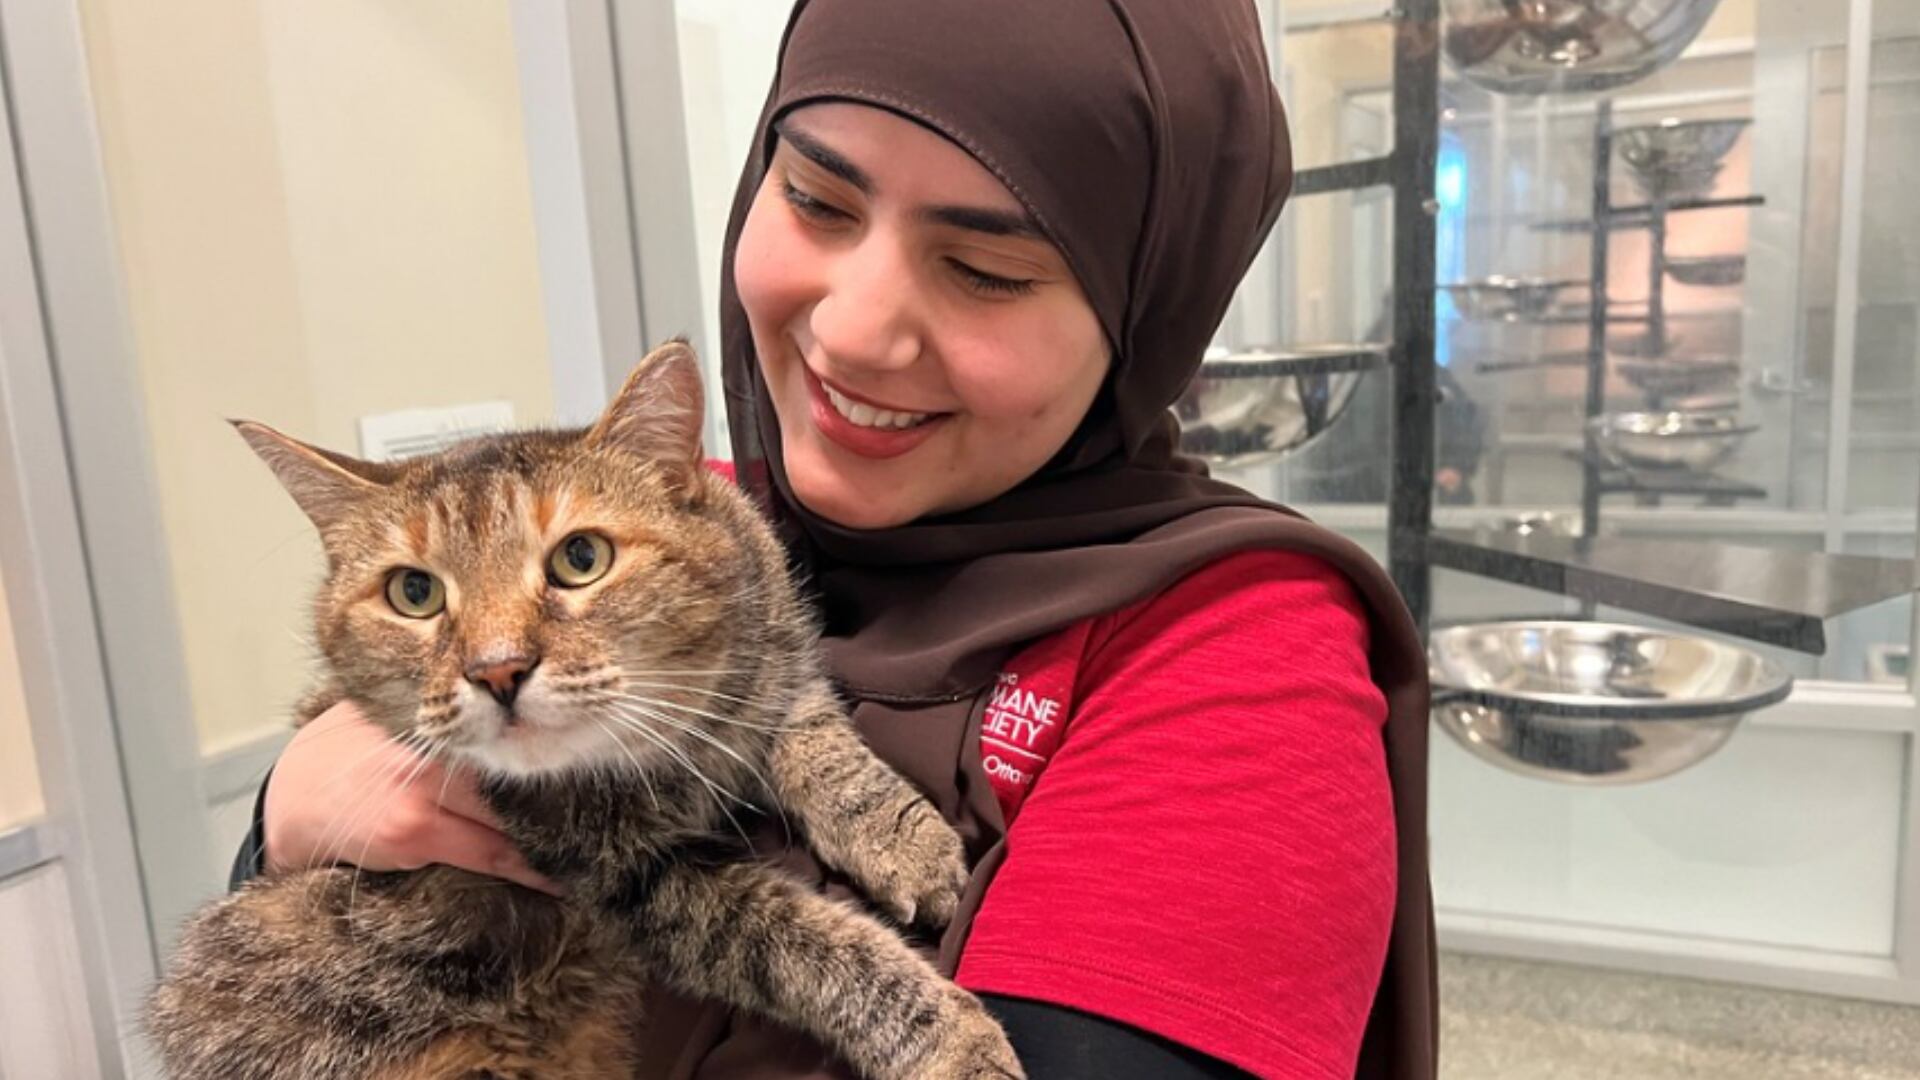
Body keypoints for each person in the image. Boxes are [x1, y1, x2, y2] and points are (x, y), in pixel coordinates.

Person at [235, 2, 1437, 1077]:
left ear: (1146, 312)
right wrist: (283, 815)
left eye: (985, 269)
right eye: (815, 198)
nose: (855, 336)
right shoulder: (667, 511)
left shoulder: (1232, 647)